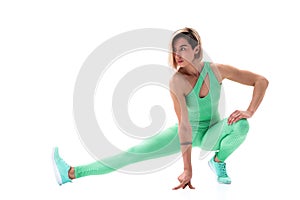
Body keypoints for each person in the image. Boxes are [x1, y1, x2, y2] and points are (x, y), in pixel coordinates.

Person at [52, 27, 268, 189]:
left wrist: (250, 110)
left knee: (241, 125)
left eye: (183, 48)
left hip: (212, 132)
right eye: (175, 51)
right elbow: (184, 126)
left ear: (196, 49)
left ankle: (218, 161)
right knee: (132, 155)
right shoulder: (177, 81)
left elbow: (260, 81)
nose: (178, 55)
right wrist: (187, 168)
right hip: (184, 133)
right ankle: (70, 173)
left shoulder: (218, 70)